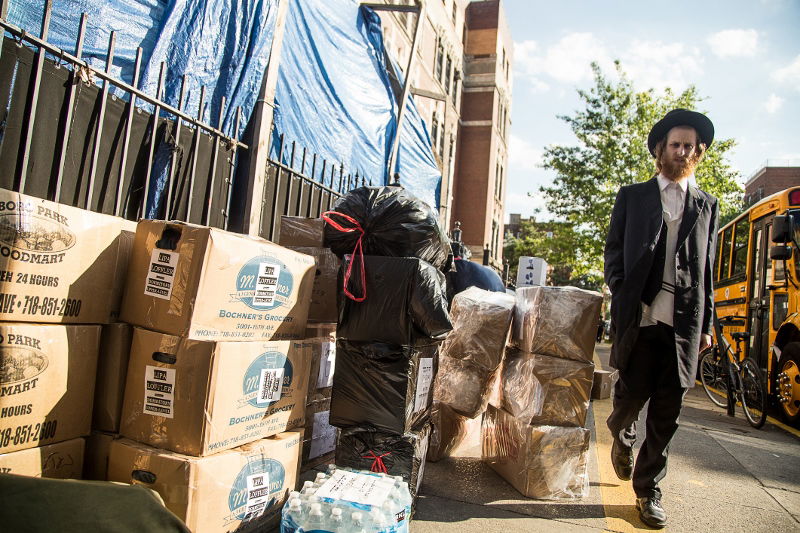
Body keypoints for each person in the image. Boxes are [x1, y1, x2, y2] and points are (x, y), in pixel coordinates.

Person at [603, 109, 718, 529]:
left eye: (690, 146)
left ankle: (648, 490)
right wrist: (620, 286)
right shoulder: (633, 196)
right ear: (661, 149)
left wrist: (707, 326)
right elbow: (614, 248)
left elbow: (707, 269)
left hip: (683, 325)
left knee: (667, 413)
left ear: (697, 152)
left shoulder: (707, 205)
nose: (683, 151)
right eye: (676, 144)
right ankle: (621, 436)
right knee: (629, 399)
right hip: (641, 316)